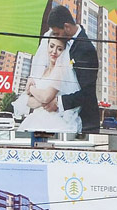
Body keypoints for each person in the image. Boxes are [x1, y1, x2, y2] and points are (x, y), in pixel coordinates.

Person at [42, 4, 100, 134]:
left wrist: (58, 102)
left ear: (67, 27)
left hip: (84, 124)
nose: (56, 36)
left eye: (57, 33)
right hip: (63, 119)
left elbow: (87, 92)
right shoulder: (68, 42)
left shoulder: (86, 49)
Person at [14, 36, 82, 133]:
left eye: (59, 49)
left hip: (53, 121)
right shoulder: (42, 71)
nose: (54, 51)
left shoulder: (62, 70)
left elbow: (46, 97)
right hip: (36, 118)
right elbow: (28, 101)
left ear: (64, 52)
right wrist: (42, 99)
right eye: (51, 46)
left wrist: (32, 89)